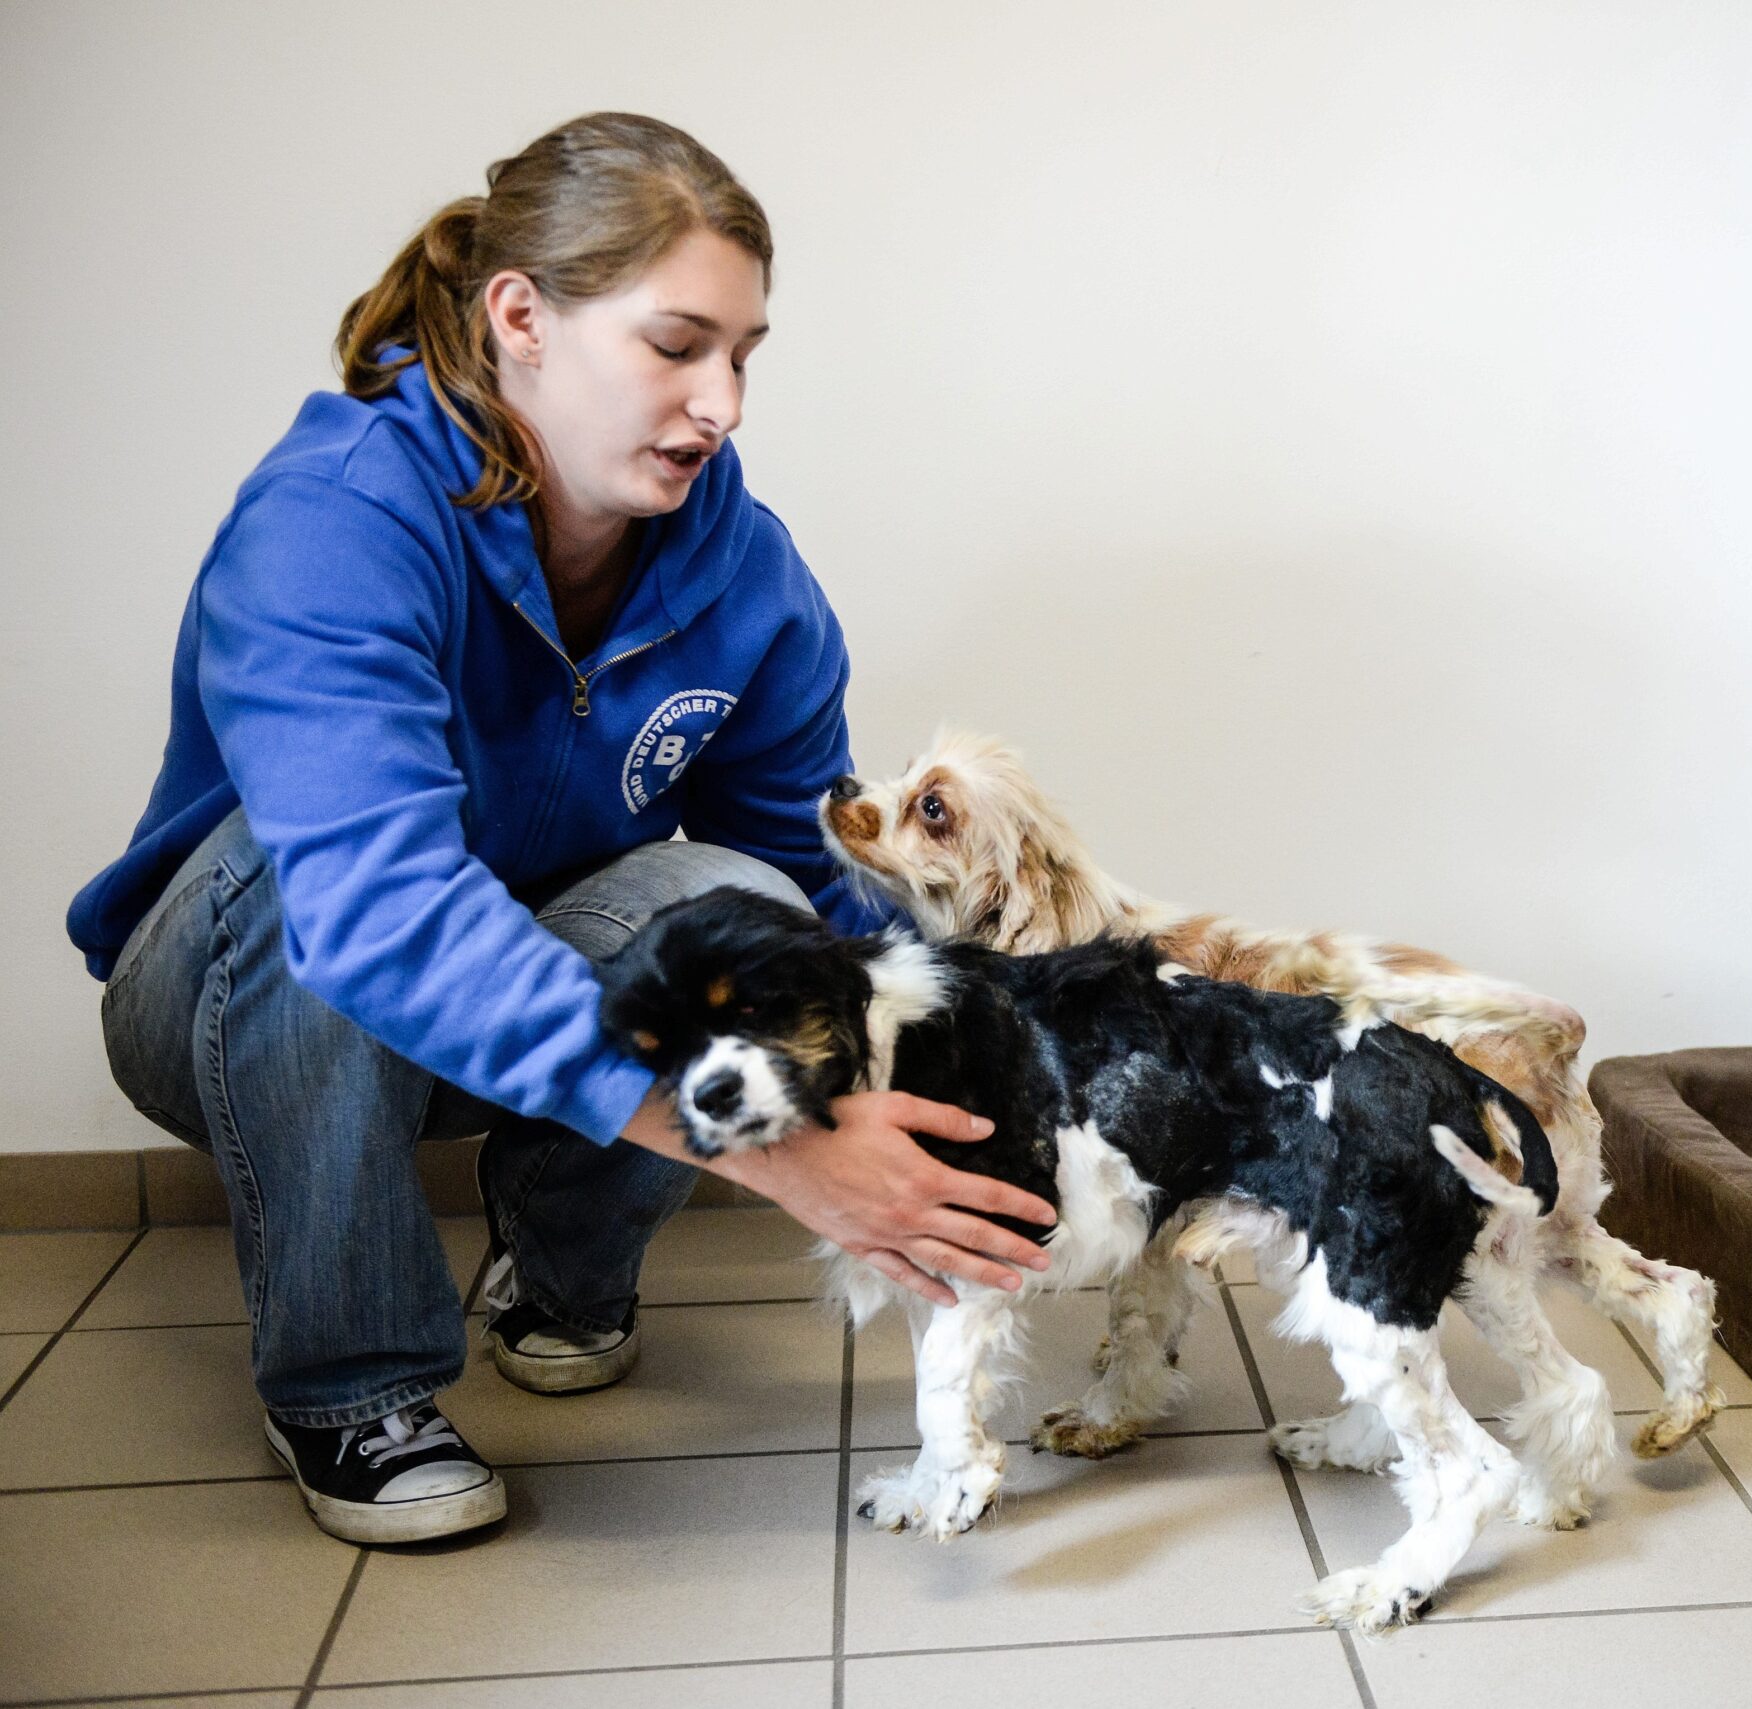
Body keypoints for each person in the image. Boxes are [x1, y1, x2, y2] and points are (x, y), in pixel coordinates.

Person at [66, 112, 1056, 1546]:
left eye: (744, 354)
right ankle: (355, 1383)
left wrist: (1034, 1043)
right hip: (248, 996)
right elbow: (383, 914)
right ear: (520, 316)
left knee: (742, 910)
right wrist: (783, 1150)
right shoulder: (336, 519)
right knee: (296, 881)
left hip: (523, 998)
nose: (721, 401)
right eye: (676, 344)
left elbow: (820, 896)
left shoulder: (747, 575)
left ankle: (562, 1275)